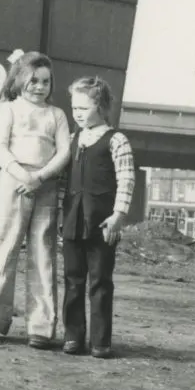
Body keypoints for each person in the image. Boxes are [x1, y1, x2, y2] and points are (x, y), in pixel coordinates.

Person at [0, 50, 71, 348]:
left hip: (45, 183)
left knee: (42, 254)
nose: (40, 87)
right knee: (3, 247)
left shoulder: (56, 115)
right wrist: (22, 174)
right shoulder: (8, 110)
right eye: (33, 81)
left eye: (45, 81)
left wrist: (40, 177)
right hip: (13, 181)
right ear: (19, 81)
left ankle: (40, 326)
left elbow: (64, 151)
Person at [61, 76, 135, 359]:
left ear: (101, 106)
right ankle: (72, 337)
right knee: (72, 279)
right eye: (74, 108)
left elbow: (126, 179)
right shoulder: (72, 139)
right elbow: (62, 181)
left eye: (83, 108)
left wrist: (118, 216)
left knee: (100, 281)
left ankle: (100, 342)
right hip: (72, 221)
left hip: (103, 224)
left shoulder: (116, 140)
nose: (77, 113)